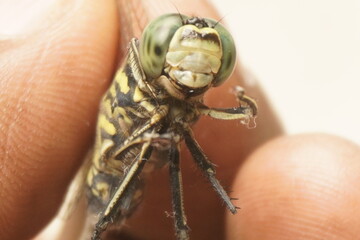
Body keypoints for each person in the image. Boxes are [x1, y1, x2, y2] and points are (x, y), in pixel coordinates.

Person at [0, 0, 359, 239]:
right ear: (153, 53)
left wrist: (243, 105)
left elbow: (220, 122)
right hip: (111, 172)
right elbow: (118, 151)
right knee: (159, 150)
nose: (197, 68)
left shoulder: (181, 108)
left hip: (154, 150)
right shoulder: (139, 84)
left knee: (173, 151)